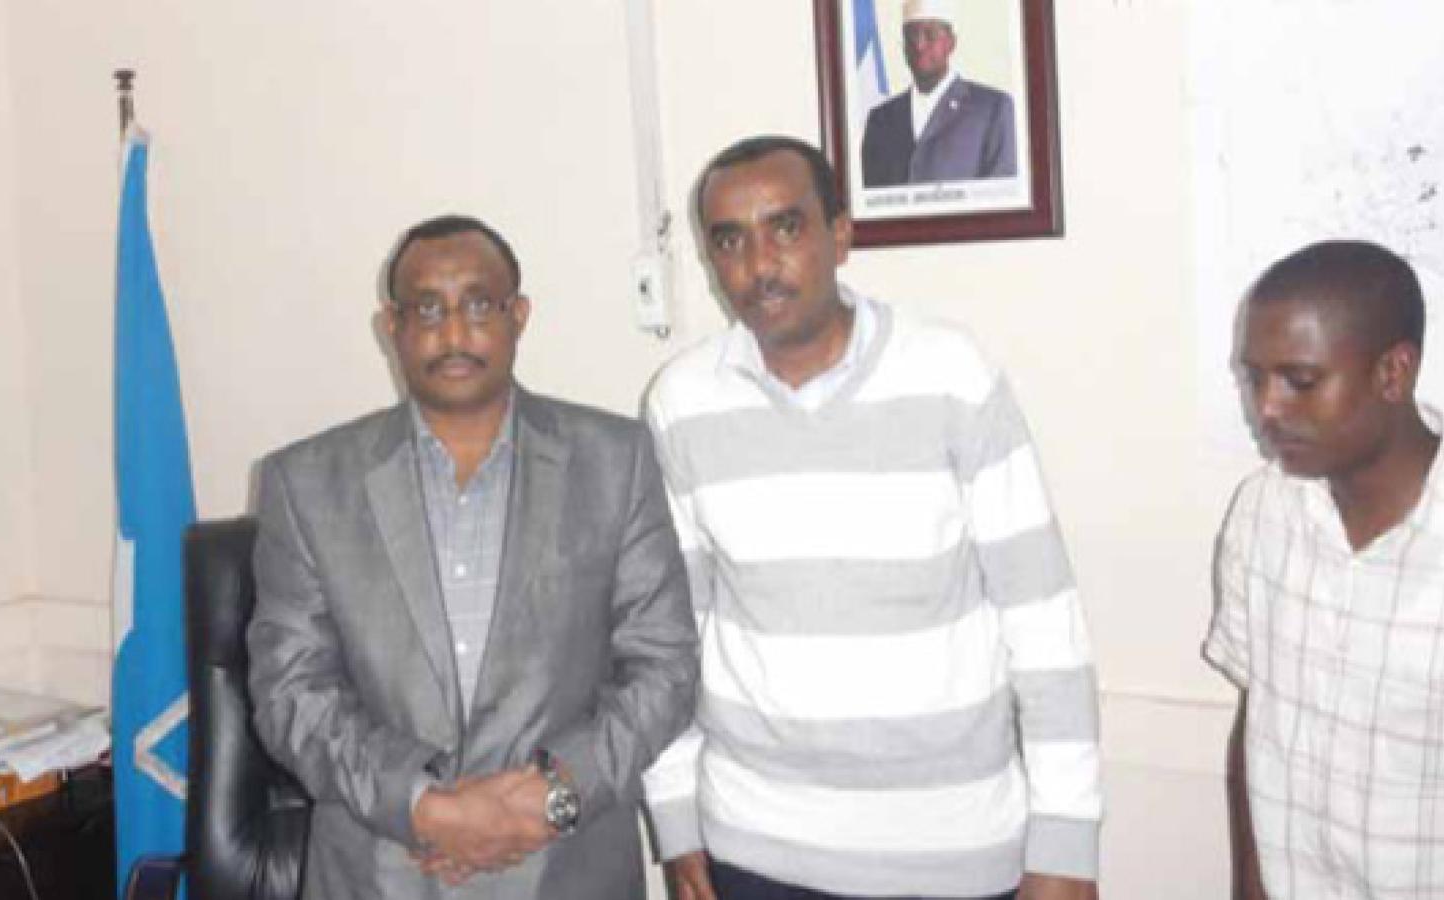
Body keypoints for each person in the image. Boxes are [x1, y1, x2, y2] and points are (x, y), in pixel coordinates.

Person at [641, 134, 1101, 900]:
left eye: (785, 227)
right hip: (755, 851)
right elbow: (669, 634)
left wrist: (1066, 847)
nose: (759, 264)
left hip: (954, 852)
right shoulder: (681, 402)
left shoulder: (951, 374)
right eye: (730, 240)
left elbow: (1045, 625)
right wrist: (677, 819)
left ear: (841, 235)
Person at [245, 214, 699, 900]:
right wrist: (424, 808)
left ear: (519, 316)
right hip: (379, 873)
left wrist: (550, 799)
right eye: (427, 309)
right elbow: (290, 692)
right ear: (390, 327)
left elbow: (663, 667)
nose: (453, 333)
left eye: (478, 305)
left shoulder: (616, 461)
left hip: (566, 866)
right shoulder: (305, 484)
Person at [1205, 240, 1444, 900]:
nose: (1268, 409)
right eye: (1253, 378)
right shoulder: (1264, 512)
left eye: (1299, 381)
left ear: (1393, 373)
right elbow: (1259, 723)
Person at [860, 0, 1018, 188]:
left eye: (930, 35)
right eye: (911, 35)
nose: (919, 45)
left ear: (951, 43)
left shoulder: (991, 109)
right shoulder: (880, 119)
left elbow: (1001, 197)